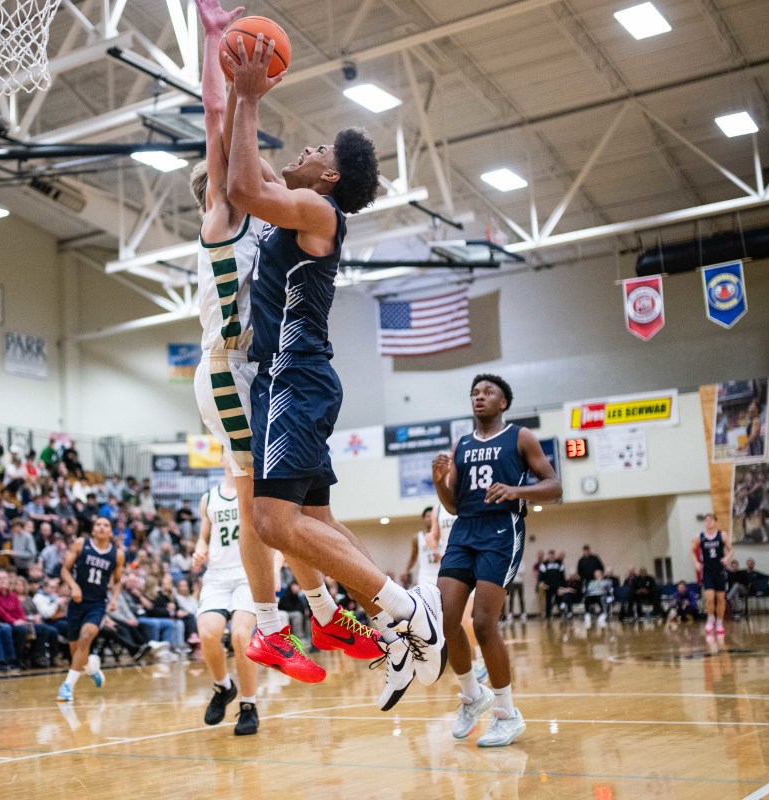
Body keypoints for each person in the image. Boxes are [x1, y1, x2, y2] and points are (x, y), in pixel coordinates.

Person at [221, 19, 442, 710]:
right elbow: (239, 165)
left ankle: (407, 608)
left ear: (328, 175)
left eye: (315, 146)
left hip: (294, 375)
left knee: (273, 523)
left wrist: (251, 97)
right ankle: (392, 626)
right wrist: (231, 92)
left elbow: (242, 190)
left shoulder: (315, 210)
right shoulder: (301, 208)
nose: (305, 146)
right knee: (318, 523)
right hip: (295, 377)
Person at [432, 374, 561, 748]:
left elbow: (554, 486)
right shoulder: (463, 443)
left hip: (501, 532)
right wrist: (440, 481)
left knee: (484, 624)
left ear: (503, 402)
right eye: (475, 392)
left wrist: (516, 490)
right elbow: (454, 503)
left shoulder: (520, 437)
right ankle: (473, 696)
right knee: (445, 620)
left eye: (488, 392)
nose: (479, 396)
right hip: (463, 531)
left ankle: (507, 713)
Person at [192, 464, 261, 736]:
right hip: (217, 575)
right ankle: (223, 686)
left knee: (241, 635)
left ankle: (248, 705)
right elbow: (202, 538)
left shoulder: (255, 491)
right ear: (223, 458)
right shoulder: (209, 498)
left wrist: (275, 567)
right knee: (208, 633)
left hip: (248, 572)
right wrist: (199, 551)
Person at [57, 516, 123, 702]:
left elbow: (118, 581)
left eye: (106, 525)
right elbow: (64, 569)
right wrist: (73, 586)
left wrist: (115, 598)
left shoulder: (117, 554)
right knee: (76, 650)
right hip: (77, 603)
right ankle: (91, 669)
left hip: (97, 604)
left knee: (86, 638)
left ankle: (67, 686)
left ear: (111, 531)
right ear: (93, 530)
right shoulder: (81, 544)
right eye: (98, 525)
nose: (102, 528)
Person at [693, 512, 732, 634]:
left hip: (719, 571)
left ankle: (720, 622)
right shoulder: (700, 536)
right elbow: (692, 550)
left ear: (715, 521)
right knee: (709, 598)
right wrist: (696, 563)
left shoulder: (722, 535)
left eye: (710, 519)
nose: (708, 521)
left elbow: (731, 550)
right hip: (708, 571)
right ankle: (711, 619)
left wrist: (726, 558)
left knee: (721, 599)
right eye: (706, 520)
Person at [404, 506, 441, 589]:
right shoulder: (417, 537)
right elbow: (413, 557)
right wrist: (406, 571)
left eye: (432, 516)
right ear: (423, 519)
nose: (430, 519)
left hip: (440, 574)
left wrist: (441, 558)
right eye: (428, 516)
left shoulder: (443, 535)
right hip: (425, 576)